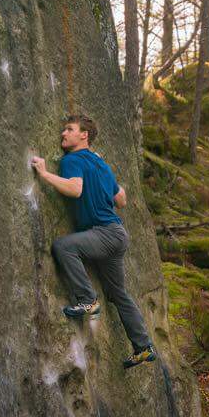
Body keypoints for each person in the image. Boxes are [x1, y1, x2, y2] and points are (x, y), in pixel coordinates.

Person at [31, 115, 157, 369]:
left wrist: (44, 174)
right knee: (118, 293)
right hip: (116, 235)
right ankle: (143, 346)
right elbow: (121, 199)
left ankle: (87, 299)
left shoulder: (72, 160)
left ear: (84, 135)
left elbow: (75, 189)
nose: (63, 134)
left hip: (104, 234)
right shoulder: (100, 164)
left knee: (64, 247)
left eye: (69, 129)